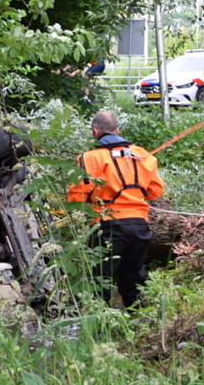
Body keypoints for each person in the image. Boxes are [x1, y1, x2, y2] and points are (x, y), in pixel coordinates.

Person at [68, 111, 165, 310]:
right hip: (139, 224)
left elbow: (78, 196)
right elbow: (155, 191)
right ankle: (139, 323)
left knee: (100, 281)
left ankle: (98, 327)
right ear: (118, 130)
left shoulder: (89, 158)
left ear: (95, 132)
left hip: (107, 225)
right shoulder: (142, 155)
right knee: (134, 278)